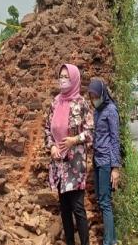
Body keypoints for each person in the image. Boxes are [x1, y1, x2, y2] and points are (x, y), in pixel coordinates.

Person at [44, 64, 94, 245]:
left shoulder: (81, 103)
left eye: (66, 76)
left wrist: (74, 139)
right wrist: (51, 147)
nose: (63, 79)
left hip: (75, 164)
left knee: (78, 207)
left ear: (74, 79)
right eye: (61, 76)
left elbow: (91, 131)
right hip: (59, 163)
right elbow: (47, 129)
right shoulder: (55, 103)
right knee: (64, 208)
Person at [88, 78, 120, 245]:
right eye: (91, 96)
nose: (93, 98)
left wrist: (115, 168)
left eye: (95, 95)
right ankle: (112, 239)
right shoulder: (97, 110)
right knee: (101, 200)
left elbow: (115, 140)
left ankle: (109, 242)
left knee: (105, 202)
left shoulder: (111, 110)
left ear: (102, 93)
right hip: (97, 159)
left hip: (107, 161)